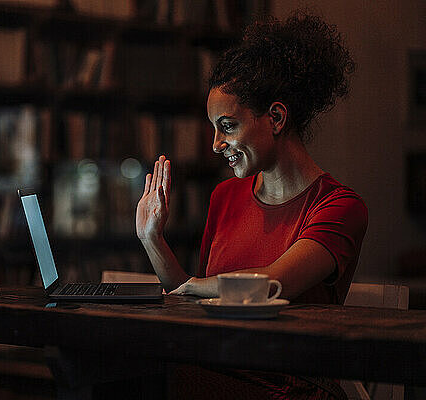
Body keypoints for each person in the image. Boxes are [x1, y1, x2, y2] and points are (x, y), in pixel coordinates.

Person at [136, 10, 368, 399]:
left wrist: (197, 287)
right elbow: (192, 303)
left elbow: (273, 283)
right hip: (214, 372)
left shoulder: (339, 207)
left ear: (276, 117)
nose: (214, 144)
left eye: (226, 126)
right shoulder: (224, 197)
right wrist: (152, 239)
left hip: (290, 388)